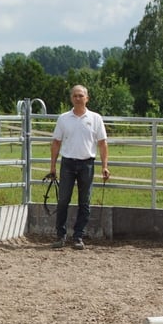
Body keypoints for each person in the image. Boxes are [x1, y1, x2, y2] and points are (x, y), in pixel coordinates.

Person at [48, 85, 109, 250]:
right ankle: (60, 236)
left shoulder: (95, 118)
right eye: (75, 96)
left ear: (87, 98)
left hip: (87, 163)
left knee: (85, 202)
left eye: (81, 95)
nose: (78, 98)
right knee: (63, 201)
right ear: (71, 98)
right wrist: (53, 166)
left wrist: (104, 166)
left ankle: (78, 236)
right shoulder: (63, 118)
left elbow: (102, 143)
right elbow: (56, 142)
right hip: (67, 162)